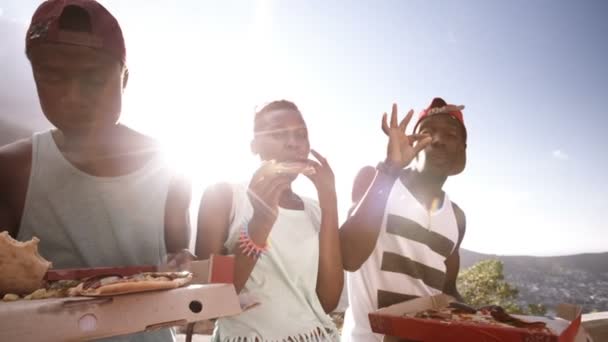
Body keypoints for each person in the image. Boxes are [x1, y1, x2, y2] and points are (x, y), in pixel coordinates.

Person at [0, 1, 191, 341]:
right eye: (52, 76)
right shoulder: (13, 169)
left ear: (125, 79)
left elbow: (180, 261)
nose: (73, 96)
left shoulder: (169, 171)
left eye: (93, 78)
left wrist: (186, 264)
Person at [196, 100, 343, 342]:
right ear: (255, 146)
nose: (293, 142)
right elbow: (210, 304)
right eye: (277, 134)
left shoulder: (316, 210)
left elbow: (327, 301)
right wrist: (261, 222)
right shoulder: (223, 197)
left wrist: (330, 199)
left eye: (301, 134)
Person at [339, 98, 468, 342]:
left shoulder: (457, 217)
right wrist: (391, 167)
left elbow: (446, 290)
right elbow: (348, 257)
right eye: (427, 133)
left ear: (462, 149)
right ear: (412, 141)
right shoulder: (375, 179)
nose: (438, 140)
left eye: (450, 135)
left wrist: (487, 320)